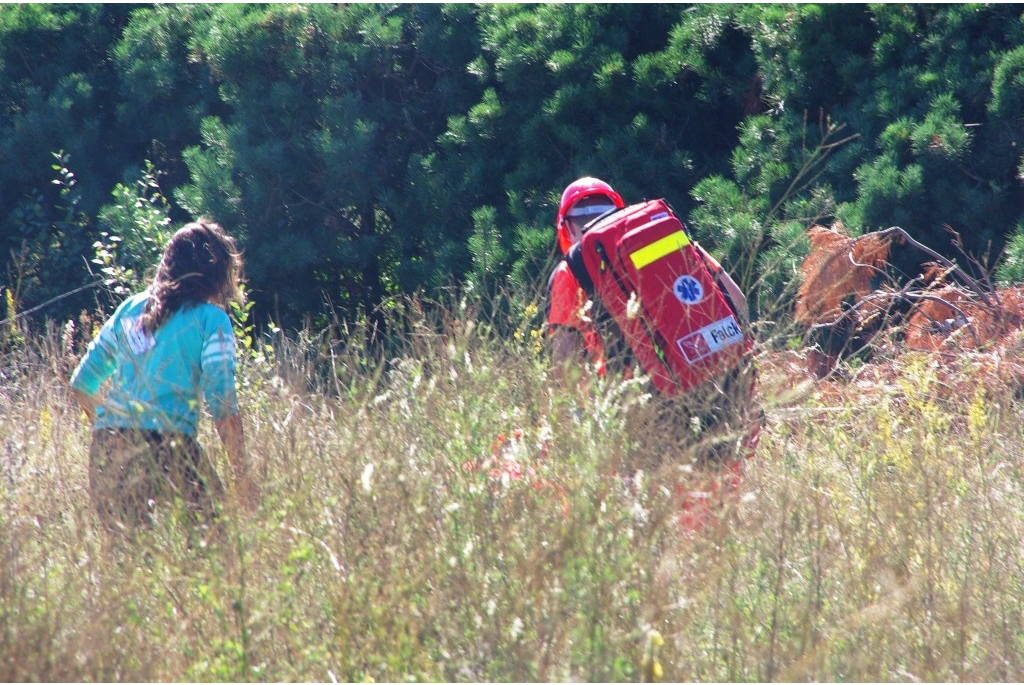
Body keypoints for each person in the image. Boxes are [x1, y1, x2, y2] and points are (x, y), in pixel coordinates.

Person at [70, 219, 257, 538]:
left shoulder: (130, 309)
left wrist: (114, 426)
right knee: (216, 551)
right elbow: (223, 405)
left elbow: (81, 384)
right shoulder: (212, 321)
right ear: (215, 270)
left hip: (107, 450)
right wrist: (241, 477)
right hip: (170, 449)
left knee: (127, 564)